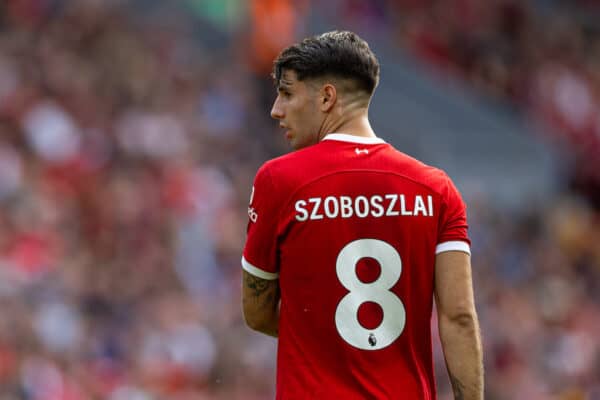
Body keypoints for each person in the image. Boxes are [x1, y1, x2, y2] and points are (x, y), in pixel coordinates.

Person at [241, 30, 483, 399]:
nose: (276, 108)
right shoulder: (436, 190)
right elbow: (459, 319)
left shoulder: (280, 181)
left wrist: (328, 338)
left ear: (326, 97)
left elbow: (257, 312)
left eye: (287, 93)